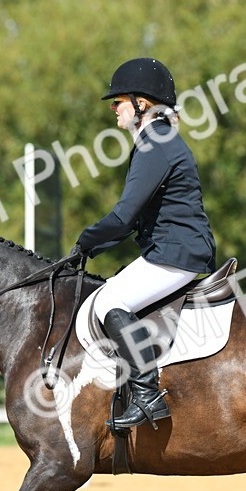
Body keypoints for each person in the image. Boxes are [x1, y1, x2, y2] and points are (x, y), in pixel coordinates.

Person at [72, 57, 217, 429]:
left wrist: (83, 241)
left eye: (118, 101)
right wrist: (93, 248)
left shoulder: (156, 144)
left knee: (109, 301)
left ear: (142, 103)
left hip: (177, 253)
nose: (113, 109)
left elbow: (123, 216)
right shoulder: (156, 141)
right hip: (173, 249)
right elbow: (132, 221)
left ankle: (148, 394)